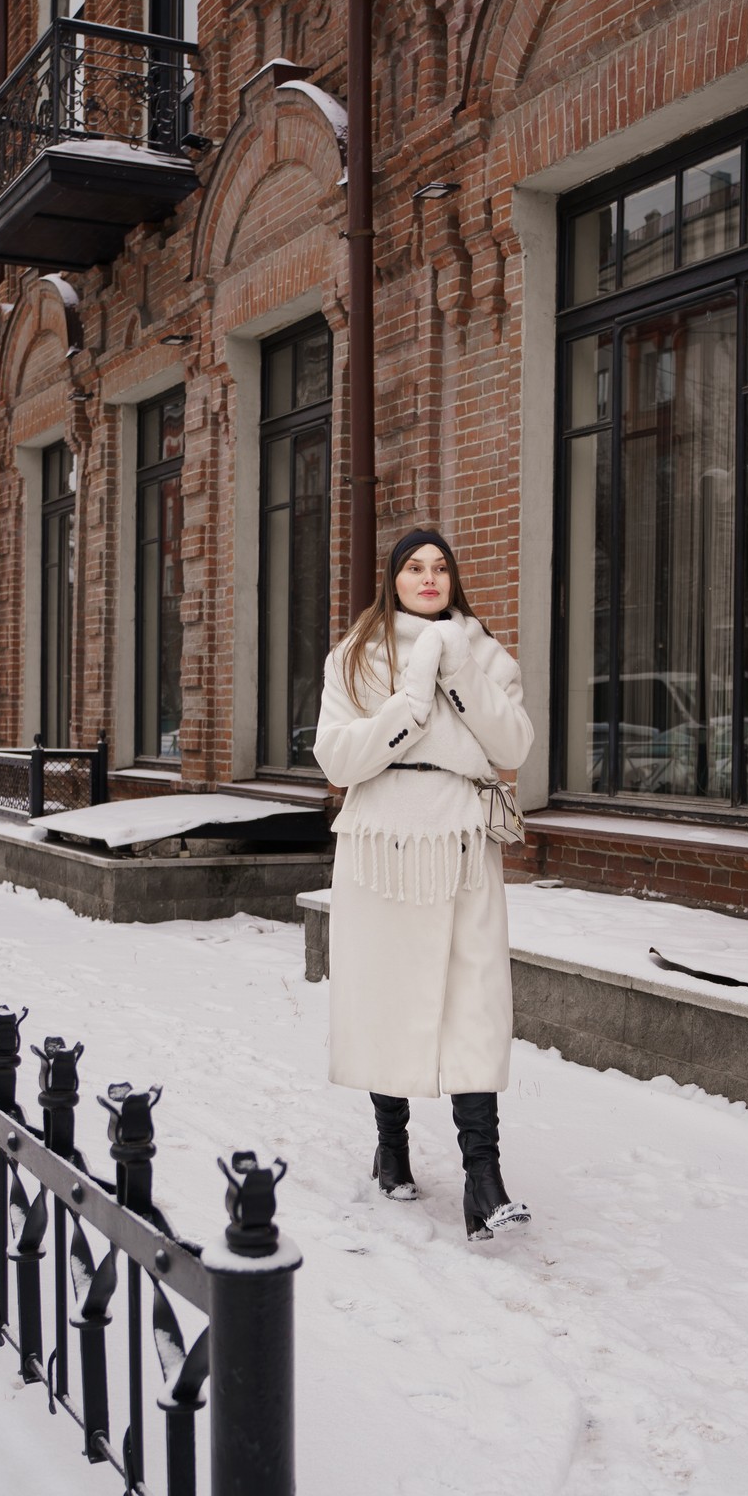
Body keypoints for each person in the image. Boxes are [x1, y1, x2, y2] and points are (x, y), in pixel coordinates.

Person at [314, 529, 535, 1240]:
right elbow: (338, 761)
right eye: (415, 567)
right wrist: (408, 707)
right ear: (394, 578)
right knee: (389, 997)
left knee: (475, 1004)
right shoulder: (355, 657)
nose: (430, 578)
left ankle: (484, 1178)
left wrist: (456, 668)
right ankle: (392, 1145)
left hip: (463, 845)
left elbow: (513, 747)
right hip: (382, 847)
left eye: (441, 567)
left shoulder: (487, 654)